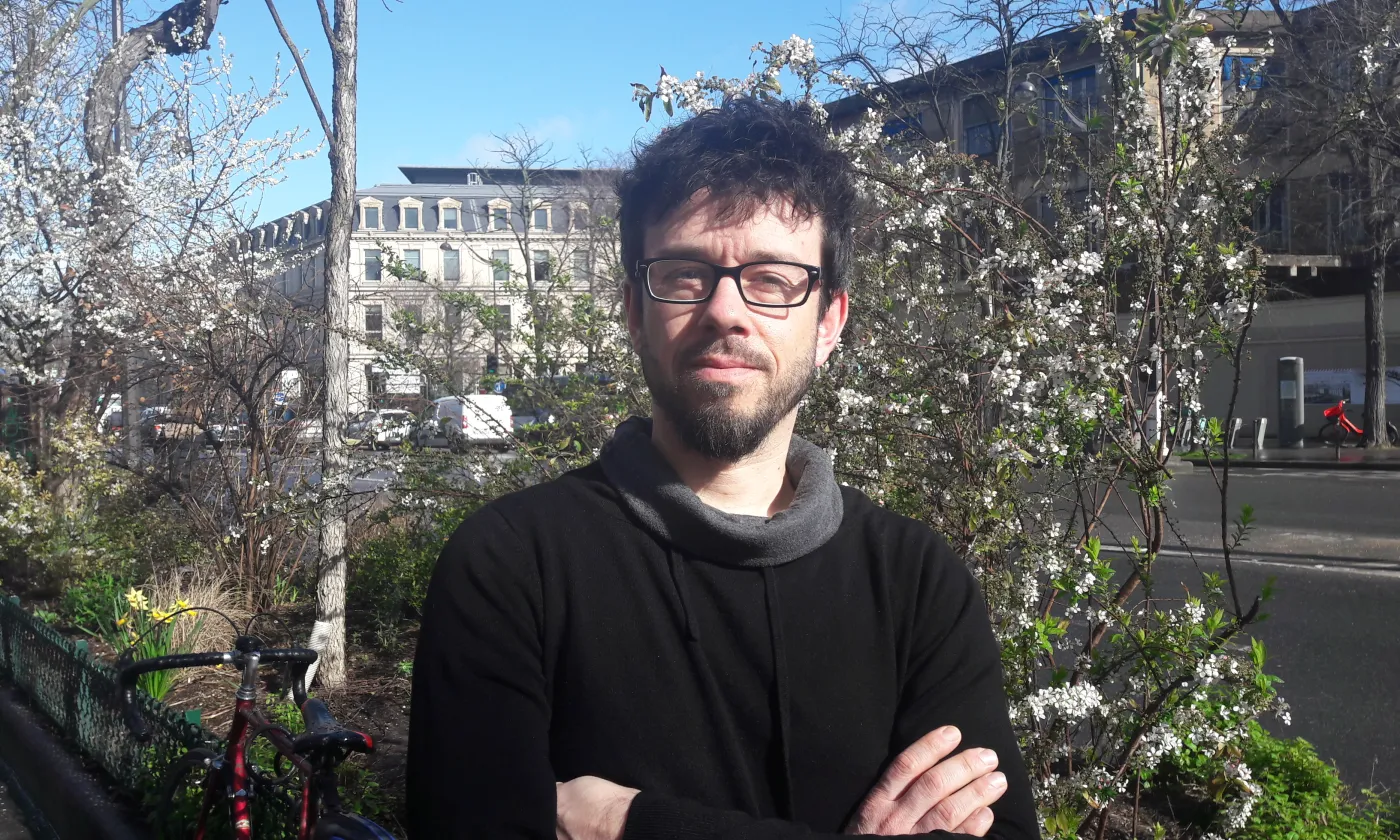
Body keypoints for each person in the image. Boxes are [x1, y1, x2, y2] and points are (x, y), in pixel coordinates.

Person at [407, 97, 1038, 840]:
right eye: (684, 274)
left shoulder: (919, 583)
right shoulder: (511, 565)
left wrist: (627, 824)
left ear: (829, 321)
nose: (725, 311)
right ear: (634, 311)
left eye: (772, 278)